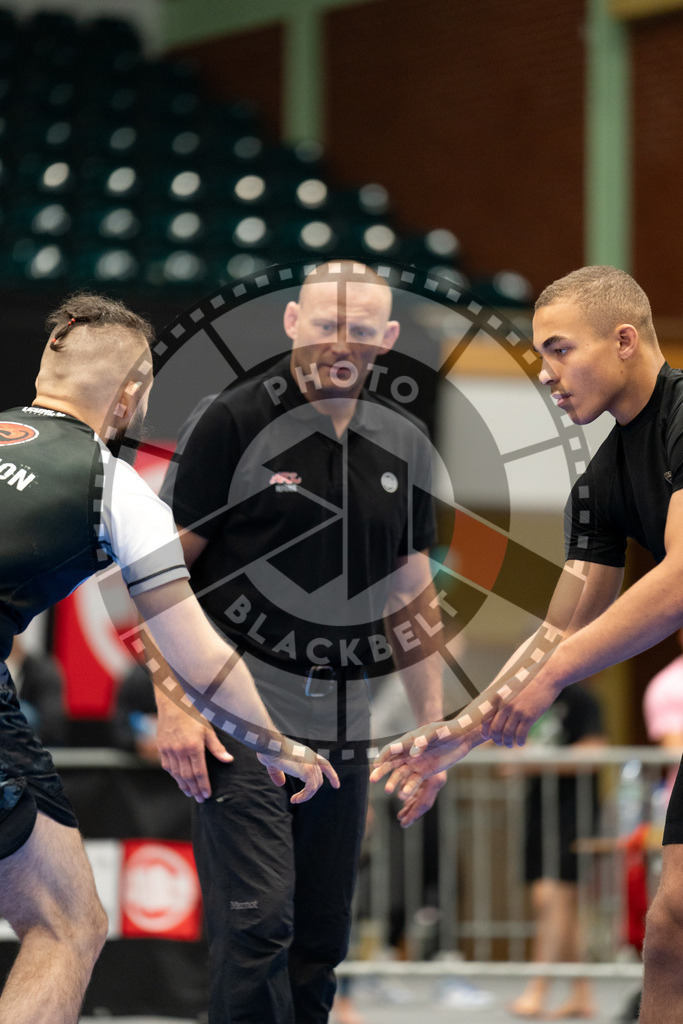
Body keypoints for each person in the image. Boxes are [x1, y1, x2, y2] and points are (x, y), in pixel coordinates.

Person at [0, 293, 337, 1024]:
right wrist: (277, 744)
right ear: (133, 395)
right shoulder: (113, 488)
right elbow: (201, 659)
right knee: (67, 927)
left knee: (68, 916)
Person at [370, 265, 683, 1024]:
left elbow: (679, 580)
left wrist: (553, 679)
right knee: (670, 926)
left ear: (623, 339)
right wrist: (460, 735)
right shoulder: (602, 476)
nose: (546, 374)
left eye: (558, 351)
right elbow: (558, 628)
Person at [155, 260, 447, 1023]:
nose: (338, 341)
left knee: (319, 939)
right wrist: (175, 703)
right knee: (258, 926)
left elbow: (410, 593)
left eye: (358, 328)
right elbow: (158, 577)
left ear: (384, 339)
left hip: (344, 721)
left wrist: (431, 728)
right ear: (292, 323)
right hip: (238, 716)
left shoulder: (404, 443)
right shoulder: (231, 420)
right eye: (324, 323)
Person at [507, 683, 605, 1019]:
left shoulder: (580, 697)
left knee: (554, 896)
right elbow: (507, 759)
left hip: (573, 812)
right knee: (559, 906)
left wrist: (537, 759)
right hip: (539, 809)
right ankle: (582, 993)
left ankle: (538, 988)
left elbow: (594, 753)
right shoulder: (529, 699)